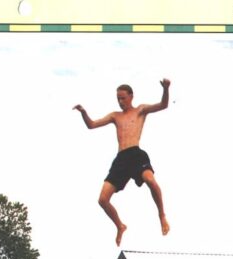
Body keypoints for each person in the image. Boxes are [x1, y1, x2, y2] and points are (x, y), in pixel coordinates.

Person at [73, 79, 172, 246]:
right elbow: (91, 125)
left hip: (136, 154)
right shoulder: (115, 116)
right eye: (118, 98)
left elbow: (163, 105)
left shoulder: (140, 110)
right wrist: (83, 113)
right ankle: (120, 226)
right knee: (102, 200)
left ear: (131, 96)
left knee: (150, 181)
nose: (120, 102)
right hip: (121, 159)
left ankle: (162, 215)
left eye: (123, 98)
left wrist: (166, 89)